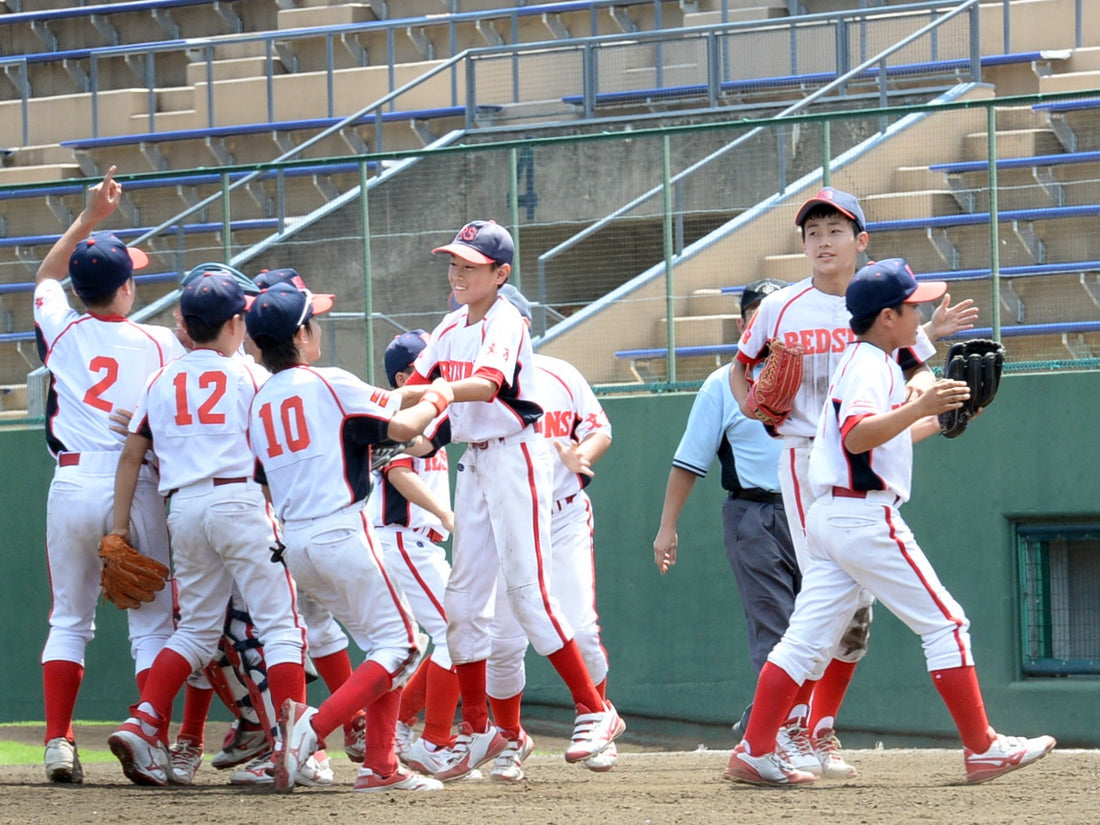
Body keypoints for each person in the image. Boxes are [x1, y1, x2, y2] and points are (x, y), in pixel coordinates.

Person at [724, 258, 1056, 786]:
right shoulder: (870, 365)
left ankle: (756, 749)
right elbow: (858, 435)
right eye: (912, 306)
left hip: (833, 516)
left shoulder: (865, 359)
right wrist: (921, 402)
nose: (918, 312)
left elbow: (877, 439)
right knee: (946, 624)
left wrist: (946, 414)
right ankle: (982, 746)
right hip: (864, 517)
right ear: (886, 317)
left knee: (804, 642)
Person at [728, 188, 979, 778]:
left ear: (860, 241)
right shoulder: (782, 307)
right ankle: (788, 731)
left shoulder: (880, 315)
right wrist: (752, 408)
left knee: (848, 608)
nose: (822, 241)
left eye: (834, 230)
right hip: (803, 455)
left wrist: (932, 373)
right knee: (826, 600)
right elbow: (741, 368)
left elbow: (911, 373)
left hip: (859, 455)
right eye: (812, 232)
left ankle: (812, 728)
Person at [402, 220, 624, 782]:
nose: (457, 274)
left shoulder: (508, 321)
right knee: (462, 599)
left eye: (470, 266)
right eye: (453, 263)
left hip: (518, 459)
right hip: (477, 460)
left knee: (527, 595)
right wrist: (374, 407)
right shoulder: (452, 323)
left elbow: (484, 385)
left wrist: (438, 397)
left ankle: (595, 712)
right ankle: (479, 727)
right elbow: (421, 380)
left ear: (501, 274)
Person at [104, 271, 309, 787]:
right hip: (239, 499)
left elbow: (132, 454)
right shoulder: (249, 376)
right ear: (237, 322)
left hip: (183, 507)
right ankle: (293, 749)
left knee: (195, 630)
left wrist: (120, 526)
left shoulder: (161, 379)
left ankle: (146, 720)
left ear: (187, 325)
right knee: (281, 628)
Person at [245, 282, 449, 793]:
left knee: (385, 645)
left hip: (295, 541)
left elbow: (266, 478)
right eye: (313, 321)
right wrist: (441, 396)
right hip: (341, 530)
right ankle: (308, 733)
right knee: (405, 643)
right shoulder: (327, 380)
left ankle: (381, 765)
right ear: (300, 334)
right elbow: (403, 429)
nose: (319, 328)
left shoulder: (260, 397)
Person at [33, 166, 184, 784]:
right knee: (152, 623)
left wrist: (90, 217)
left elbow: (45, 274)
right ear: (123, 288)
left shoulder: (61, 328)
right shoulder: (159, 344)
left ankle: (57, 743)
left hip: (70, 483)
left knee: (69, 619)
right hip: (136, 482)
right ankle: (148, 735)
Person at [652, 278, 798, 742]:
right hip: (755, 517)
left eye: (773, 311)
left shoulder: (811, 371)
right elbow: (688, 462)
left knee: (824, 626)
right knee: (774, 626)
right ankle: (777, 737)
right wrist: (666, 528)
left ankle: (767, 720)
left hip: (813, 510)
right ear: (742, 323)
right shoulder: (722, 384)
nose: (764, 320)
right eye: (756, 311)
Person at [484, 284, 617, 782]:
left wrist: (583, 455)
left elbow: (600, 427)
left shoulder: (561, 375)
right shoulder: (480, 383)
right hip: (505, 520)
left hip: (561, 515)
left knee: (580, 629)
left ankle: (598, 717)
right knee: (502, 641)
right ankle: (510, 738)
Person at [367, 330, 463, 778]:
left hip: (416, 542)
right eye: (432, 369)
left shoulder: (427, 420)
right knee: (458, 635)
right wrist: (445, 512)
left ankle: (398, 727)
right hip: (402, 538)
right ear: (407, 376)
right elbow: (400, 472)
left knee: (439, 638)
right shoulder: (392, 415)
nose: (442, 377)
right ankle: (433, 741)